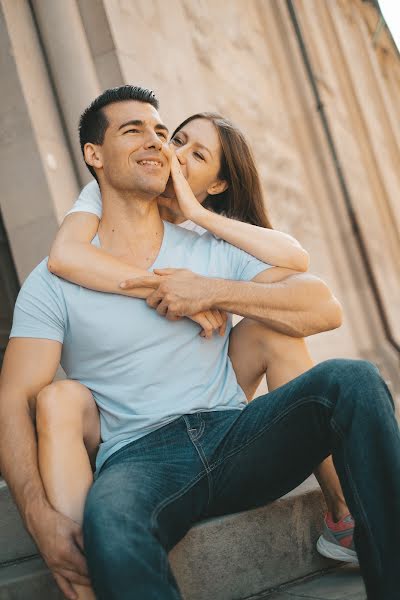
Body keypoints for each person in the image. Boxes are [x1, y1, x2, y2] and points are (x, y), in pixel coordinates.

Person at [0, 86, 398, 600]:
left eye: (162, 131)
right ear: (93, 156)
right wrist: (37, 513)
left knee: (354, 380)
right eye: (133, 130)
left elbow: (323, 306)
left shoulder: (210, 249)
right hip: (138, 458)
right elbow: (12, 400)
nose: (157, 142)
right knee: (112, 528)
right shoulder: (54, 278)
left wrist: (210, 289)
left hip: (234, 434)